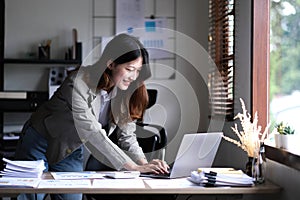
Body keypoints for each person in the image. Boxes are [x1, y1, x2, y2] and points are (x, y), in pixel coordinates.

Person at [14, 33, 169, 200]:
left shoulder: (123, 94)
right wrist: (131, 166)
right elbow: (91, 131)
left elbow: (128, 136)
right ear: (111, 63)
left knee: (73, 198)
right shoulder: (77, 82)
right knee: (30, 195)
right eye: (129, 69)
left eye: (138, 71)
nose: (134, 77)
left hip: (69, 149)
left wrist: (144, 164)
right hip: (40, 141)